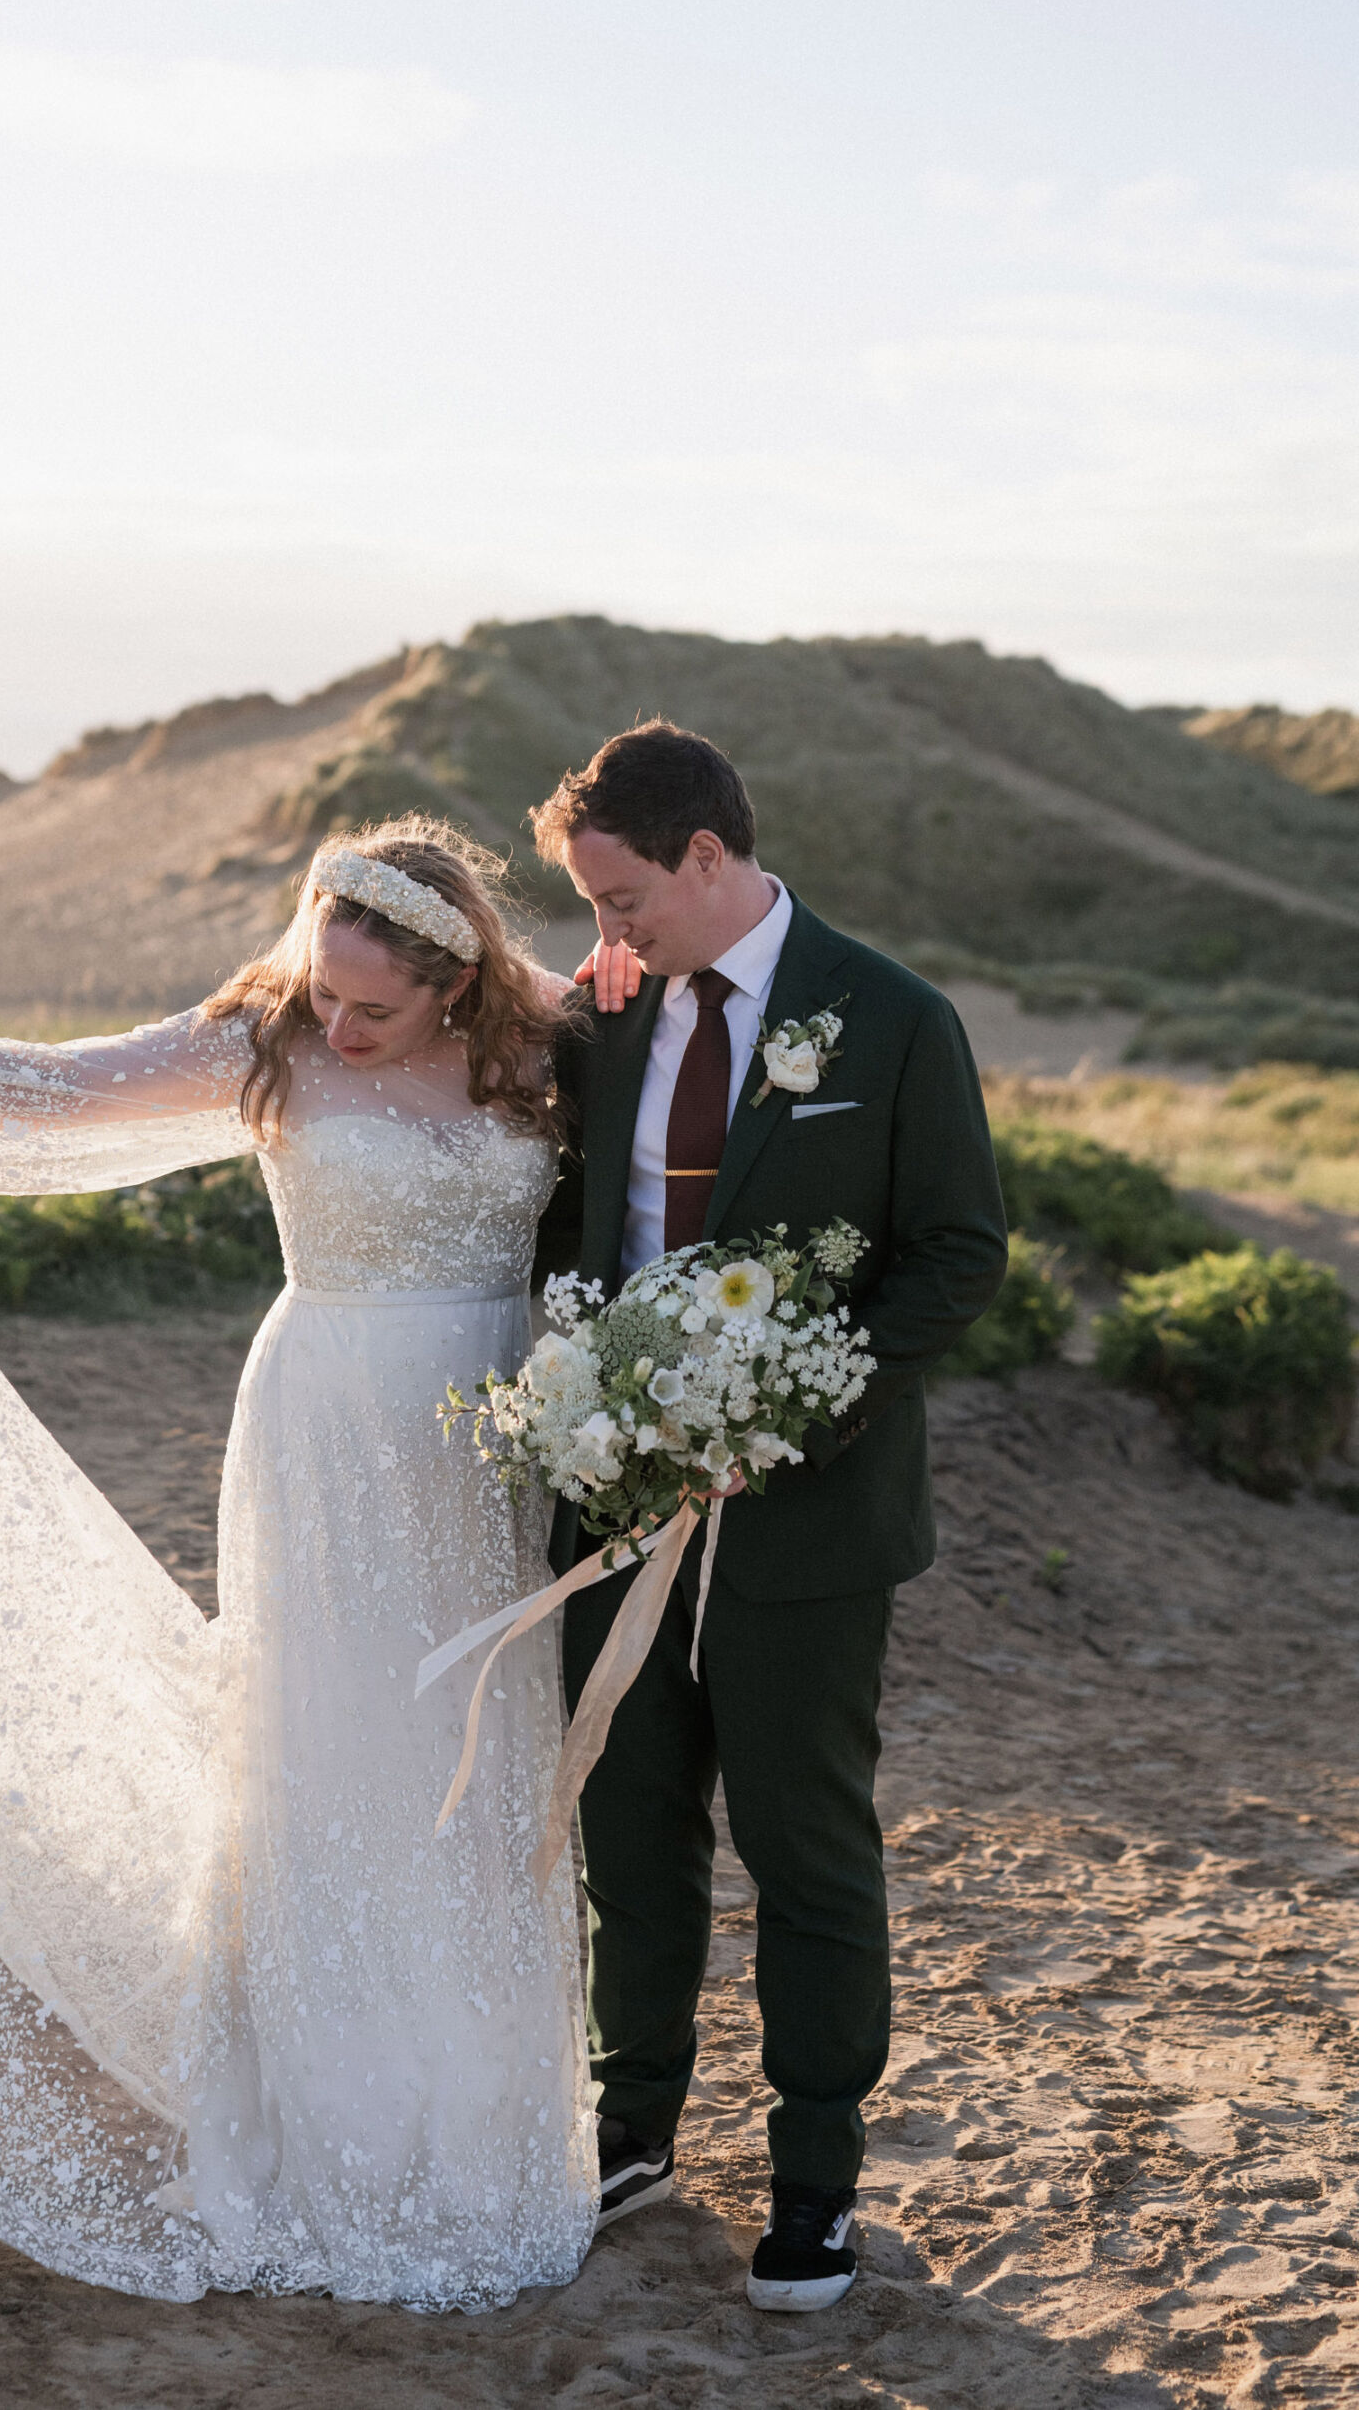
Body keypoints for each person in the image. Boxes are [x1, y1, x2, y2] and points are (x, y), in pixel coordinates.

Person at [0, 820, 626, 2312]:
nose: (339, 1022)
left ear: (459, 984)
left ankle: (485, 2130)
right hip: (326, 1441)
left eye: (371, 1006)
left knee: (476, 1767)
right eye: (326, 988)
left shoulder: (547, 1052)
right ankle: (324, 2126)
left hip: (485, 1454)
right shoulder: (264, 1043)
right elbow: (59, 1087)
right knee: (331, 1761)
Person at [530, 721, 1007, 2312]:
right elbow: (562, 1236)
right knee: (628, 1837)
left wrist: (797, 1401)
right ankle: (632, 2127)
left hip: (808, 1532)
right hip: (615, 1509)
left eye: (619, 900)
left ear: (709, 861)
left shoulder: (891, 1019)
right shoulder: (606, 1023)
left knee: (805, 1851)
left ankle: (814, 2186)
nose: (605, 934)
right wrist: (596, 1397)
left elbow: (956, 1255)